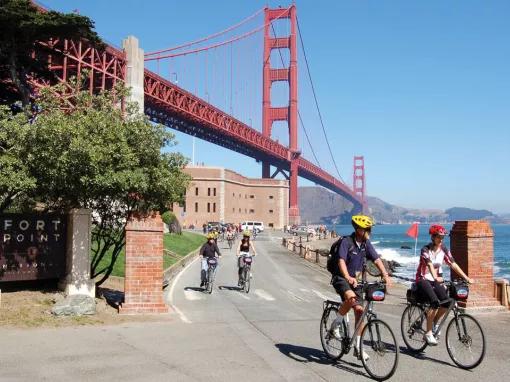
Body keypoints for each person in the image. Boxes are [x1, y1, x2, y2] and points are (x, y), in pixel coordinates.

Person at [330, 215, 392, 361]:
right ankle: (335, 326)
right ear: (358, 229)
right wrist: (347, 277)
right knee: (351, 299)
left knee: (360, 311)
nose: (369, 231)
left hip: (355, 282)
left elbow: (376, 259)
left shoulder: (365, 243)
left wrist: (385, 275)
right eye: (367, 229)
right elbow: (341, 261)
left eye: (369, 229)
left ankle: (358, 347)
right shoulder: (347, 242)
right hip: (341, 278)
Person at [415, 224, 474, 346]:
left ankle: (435, 322)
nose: (441, 240)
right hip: (423, 279)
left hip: (435, 280)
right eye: (439, 237)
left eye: (443, 237)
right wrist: (436, 277)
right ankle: (428, 333)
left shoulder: (444, 249)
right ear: (433, 237)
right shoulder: (425, 250)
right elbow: (430, 265)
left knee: (447, 302)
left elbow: (453, 264)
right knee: (435, 302)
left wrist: (466, 278)